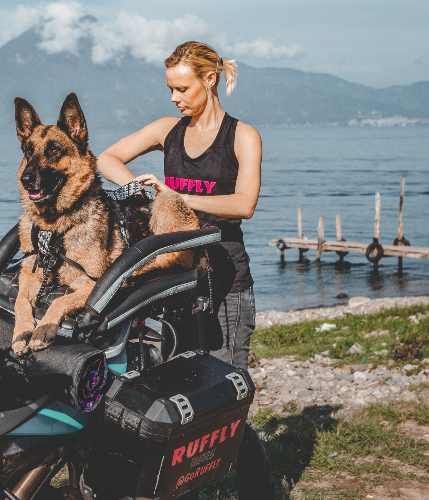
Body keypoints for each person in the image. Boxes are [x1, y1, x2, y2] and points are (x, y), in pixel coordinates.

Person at [96, 41, 273, 500]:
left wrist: (174, 197)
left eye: (182, 88)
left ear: (209, 80)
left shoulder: (243, 136)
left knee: (226, 401)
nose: (175, 98)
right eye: (171, 89)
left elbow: (244, 204)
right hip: (175, 284)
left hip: (227, 282)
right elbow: (106, 159)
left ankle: (259, 490)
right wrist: (137, 187)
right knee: (181, 402)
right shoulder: (166, 130)